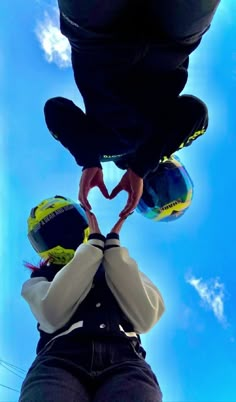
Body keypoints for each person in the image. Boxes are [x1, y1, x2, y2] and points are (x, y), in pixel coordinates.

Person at [44, 0, 220, 218]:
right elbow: (195, 111)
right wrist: (143, 165)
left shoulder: (101, 152)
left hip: (95, 40)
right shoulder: (167, 140)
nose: (156, 182)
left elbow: (56, 109)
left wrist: (88, 161)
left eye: (151, 194)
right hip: (171, 42)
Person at [19, 195, 165, 401]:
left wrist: (113, 251)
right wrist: (92, 249)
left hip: (124, 359)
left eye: (69, 225)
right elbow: (52, 312)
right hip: (60, 358)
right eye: (54, 233)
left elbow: (147, 315)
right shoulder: (40, 279)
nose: (65, 235)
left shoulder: (117, 264)